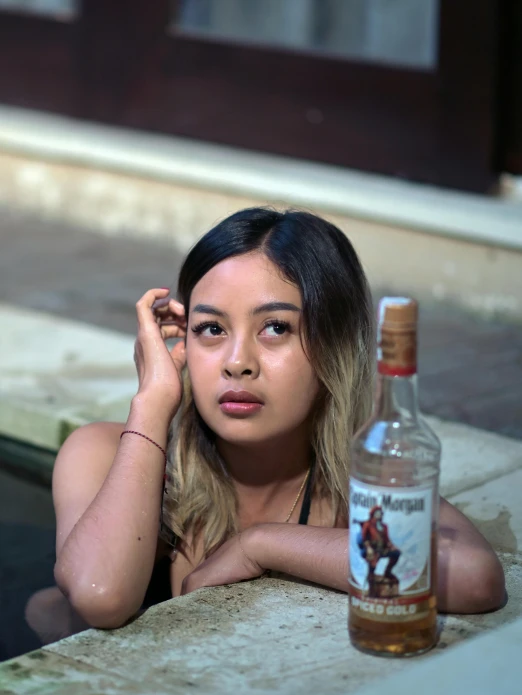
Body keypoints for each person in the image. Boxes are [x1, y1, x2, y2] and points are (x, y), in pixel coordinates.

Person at [25, 207, 505, 642]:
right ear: (182, 338)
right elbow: (99, 595)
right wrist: (152, 402)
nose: (238, 363)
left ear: (332, 347)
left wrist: (261, 544)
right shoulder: (104, 453)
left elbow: (475, 577)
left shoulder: (351, 482)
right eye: (211, 329)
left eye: (275, 327)